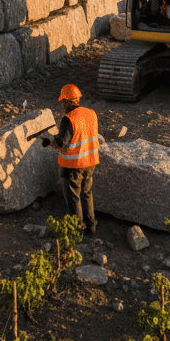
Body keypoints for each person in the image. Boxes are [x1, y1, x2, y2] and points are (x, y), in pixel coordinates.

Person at [54, 84, 100, 234]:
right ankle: (91, 227)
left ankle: (77, 231)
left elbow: (64, 143)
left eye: (63, 102)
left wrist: (53, 142)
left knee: (74, 198)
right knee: (87, 194)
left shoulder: (68, 119)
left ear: (67, 101)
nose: (63, 105)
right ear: (77, 99)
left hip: (73, 165)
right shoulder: (91, 113)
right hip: (90, 162)